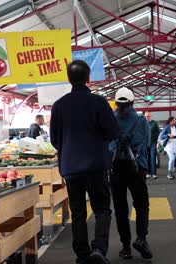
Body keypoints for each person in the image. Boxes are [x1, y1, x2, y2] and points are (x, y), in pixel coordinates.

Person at [50, 60, 120, 264]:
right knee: (102, 209)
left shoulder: (59, 105)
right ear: (88, 78)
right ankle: (99, 249)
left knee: (78, 211)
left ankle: (81, 255)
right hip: (96, 166)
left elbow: (55, 139)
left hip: (71, 168)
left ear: (68, 78)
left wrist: (69, 150)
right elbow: (113, 132)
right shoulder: (99, 102)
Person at [109, 88, 153, 260]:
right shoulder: (141, 120)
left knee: (120, 208)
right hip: (136, 169)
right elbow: (147, 144)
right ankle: (141, 239)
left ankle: (126, 247)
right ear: (132, 102)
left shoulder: (110, 119)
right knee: (142, 205)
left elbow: (107, 144)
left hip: (116, 169)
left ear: (116, 103)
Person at [144, 111, 160, 179]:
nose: (147, 117)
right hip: (145, 144)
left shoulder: (154, 123)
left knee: (153, 158)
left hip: (153, 143)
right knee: (147, 158)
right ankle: (148, 173)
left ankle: (154, 173)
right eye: (146, 116)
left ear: (150, 116)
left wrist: (158, 143)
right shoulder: (143, 123)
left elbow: (159, 133)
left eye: (148, 116)